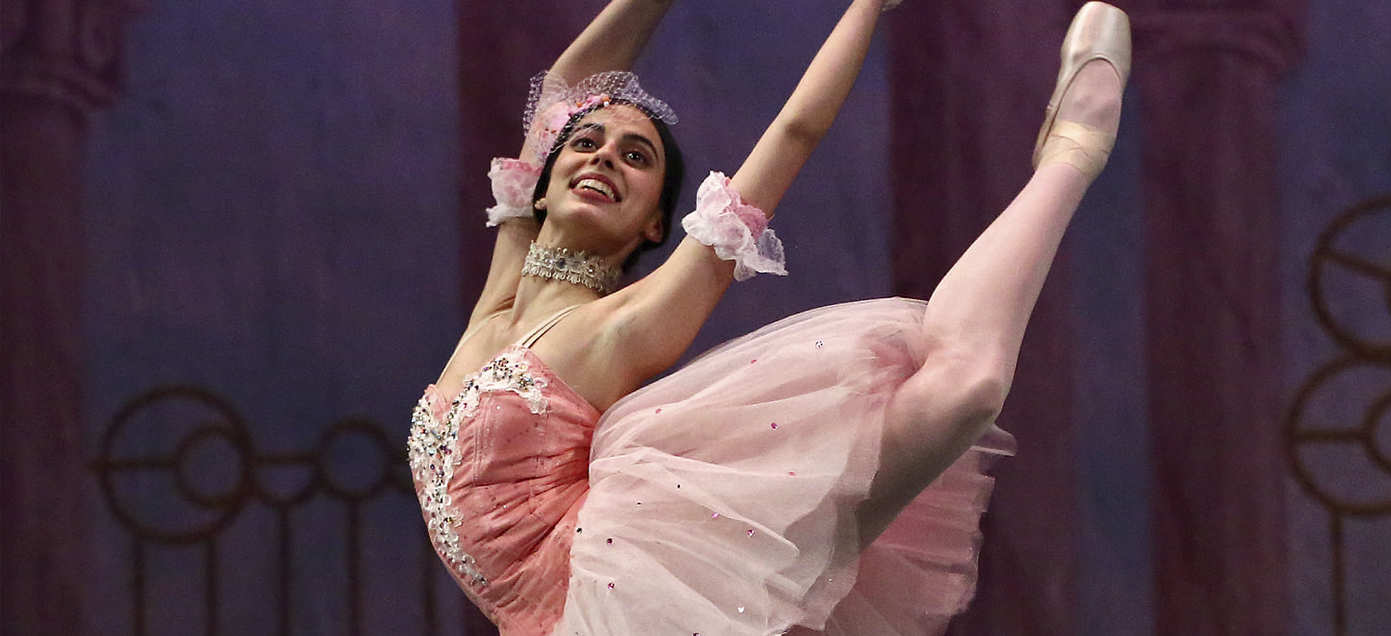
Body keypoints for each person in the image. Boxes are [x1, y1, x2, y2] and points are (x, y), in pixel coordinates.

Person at [407, 0, 1130, 634]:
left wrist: (868, 6)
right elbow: (568, 87)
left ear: (656, 222)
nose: (604, 158)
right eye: (586, 143)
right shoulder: (500, 298)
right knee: (964, 389)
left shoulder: (627, 325)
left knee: (967, 389)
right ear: (540, 182)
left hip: (633, 588)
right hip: (582, 610)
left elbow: (795, 132)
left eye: (636, 156)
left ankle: (1071, 154)